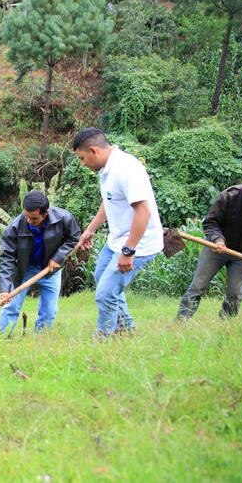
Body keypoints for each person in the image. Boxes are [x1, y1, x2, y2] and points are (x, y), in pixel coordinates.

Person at [72, 128, 163, 336]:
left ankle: (105, 336)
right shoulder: (106, 170)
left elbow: (143, 212)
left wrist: (128, 251)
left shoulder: (126, 169)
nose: (83, 164)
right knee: (101, 277)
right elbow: (110, 200)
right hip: (117, 240)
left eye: (82, 158)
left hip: (139, 243)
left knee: (105, 293)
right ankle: (124, 327)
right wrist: (90, 230)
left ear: (94, 151)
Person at [177, 173, 242, 319]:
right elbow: (211, 222)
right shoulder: (230, 196)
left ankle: (226, 324)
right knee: (198, 286)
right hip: (215, 248)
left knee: (235, 293)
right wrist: (218, 240)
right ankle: (181, 321)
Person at [0, 191, 81, 334]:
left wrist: (58, 257)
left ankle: (40, 339)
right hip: (25, 270)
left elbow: (74, 238)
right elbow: (7, 258)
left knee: (49, 311)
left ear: (45, 213)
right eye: (26, 217)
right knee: (10, 306)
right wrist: (5, 289)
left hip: (50, 270)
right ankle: (0, 338)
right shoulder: (14, 228)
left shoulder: (63, 218)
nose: (29, 221)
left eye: (34, 218)